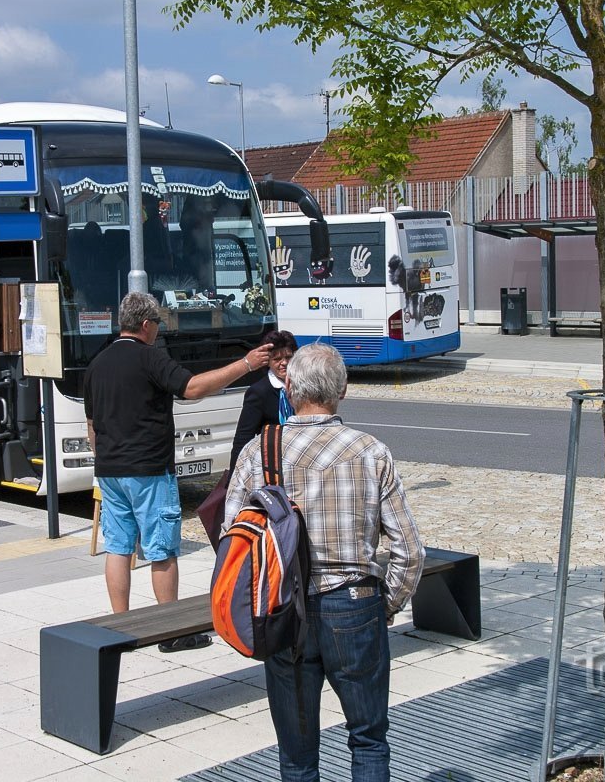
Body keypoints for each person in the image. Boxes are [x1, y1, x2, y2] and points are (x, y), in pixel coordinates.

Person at [224, 343, 425, 781]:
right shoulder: (371, 452)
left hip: (284, 613)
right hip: (354, 605)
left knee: (296, 756)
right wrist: (384, 605)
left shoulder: (261, 452)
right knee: (369, 738)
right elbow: (410, 551)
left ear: (290, 387)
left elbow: (231, 538)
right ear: (343, 390)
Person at [85, 291, 272, 648]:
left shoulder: (99, 362)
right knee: (161, 550)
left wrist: (103, 458)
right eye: (157, 324)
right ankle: (170, 632)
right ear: (145, 325)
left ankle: (121, 624)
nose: (158, 330)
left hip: (109, 469)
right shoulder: (149, 358)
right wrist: (245, 364)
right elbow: (192, 388)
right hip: (150, 469)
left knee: (118, 547)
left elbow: (91, 423)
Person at [228, 330, 298, 468]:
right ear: (267, 362)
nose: (284, 363)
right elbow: (242, 439)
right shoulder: (259, 392)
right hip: (273, 466)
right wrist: (233, 481)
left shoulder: (304, 386)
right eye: (277, 359)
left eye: (288, 357)